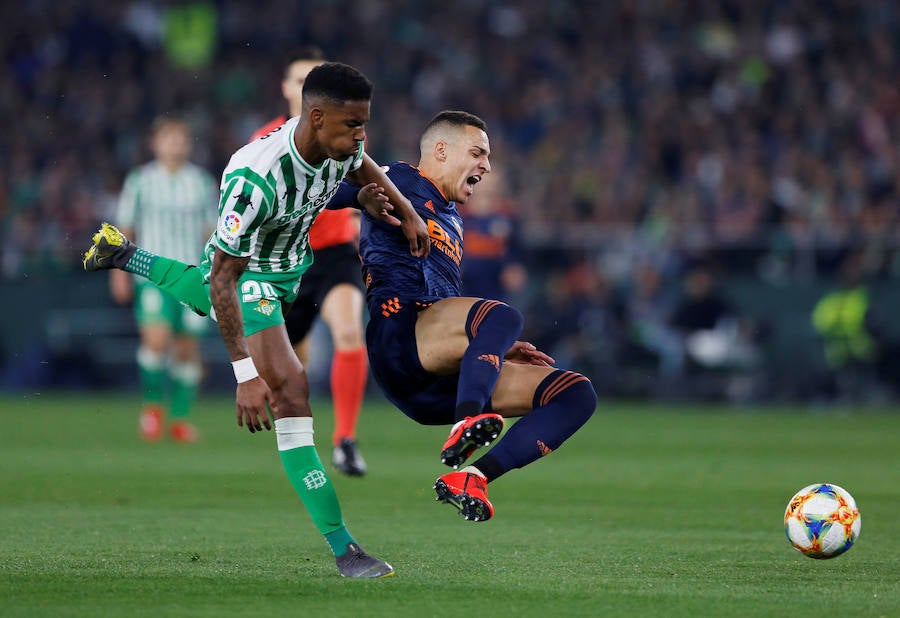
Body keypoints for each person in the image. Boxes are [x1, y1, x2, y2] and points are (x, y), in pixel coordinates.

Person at [82, 62, 429, 577]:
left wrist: (403, 208)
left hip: (293, 267)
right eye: (352, 125)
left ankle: (124, 254)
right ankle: (345, 549)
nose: (361, 136)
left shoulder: (342, 142)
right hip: (251, 278)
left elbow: (362, 164)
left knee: (200, 292)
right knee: (289, 386)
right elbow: (224, 280)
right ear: (315, 117)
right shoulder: (254, 180)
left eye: (364, 123)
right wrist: (245, 375)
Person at [333, 110, 597, 522]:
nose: (486, 166)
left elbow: (448, 303)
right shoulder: (399, 179)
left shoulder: (453, 217)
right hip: (399, 334)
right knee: (502, 316)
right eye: (477, 153)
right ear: (440, 150)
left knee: (575, 392)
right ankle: (468, 419)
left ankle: (473, 476)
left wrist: (492, 348)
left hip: (436, 377)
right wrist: (357, 197)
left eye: (487, 157)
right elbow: (317, 191)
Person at [250, 47, 369, 476]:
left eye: (311, 81)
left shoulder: (347, 135)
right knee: (293, 370)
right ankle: (300, 446)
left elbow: (362, 182)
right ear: (286, 89)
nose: (304, 89)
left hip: (336, 254)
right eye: (298, 81)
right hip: (286, 260)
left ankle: (346, 440)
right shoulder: (264, 141)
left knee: (350, 329)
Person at [111, 117, 217, 442]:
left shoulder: (201, 183)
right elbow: (125, 229)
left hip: (192, 276)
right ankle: (153, 407)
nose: (175, 144)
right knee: (156, 340)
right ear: (154, 143)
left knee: (187, 349)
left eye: (180, 138)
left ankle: (180, 419)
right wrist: (120, 274)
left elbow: (211, 232)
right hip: (152, 276)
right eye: (168, 138)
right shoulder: (140, 181)